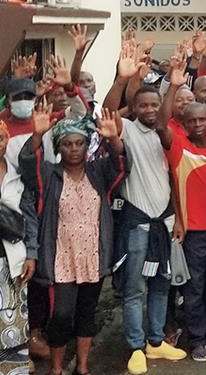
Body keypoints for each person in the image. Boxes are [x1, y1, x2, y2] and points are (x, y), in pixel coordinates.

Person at [20, 103, 129, 375]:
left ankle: (82, 366)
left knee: (86, 314)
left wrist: (113, 138)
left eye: (79, 143)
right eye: (67, 144)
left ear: (86, 145)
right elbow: (27, 163)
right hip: (61, 257)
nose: (74, 149)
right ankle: (56, 368)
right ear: (59, 147)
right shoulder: (50, 174)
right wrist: (36, 135)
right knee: (61, 315)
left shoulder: (98, 172)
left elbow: (122, 165)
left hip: (93, 255)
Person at [104, 44, 188, 375]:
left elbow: (166, 118)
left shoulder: (163, 134)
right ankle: (136, 346)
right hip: (137, 223)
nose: (151, 109)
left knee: (161, 285)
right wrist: (122, 81)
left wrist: (175, 84)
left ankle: (155, 341)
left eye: (155, 104)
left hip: (164, 222)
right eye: (144, 105)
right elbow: (111, 112)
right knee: (135, 287)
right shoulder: (128, 131)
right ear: (134, 108)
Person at [157, 64, 206, 362]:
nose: (199, 124)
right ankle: (197, 338)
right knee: (194, 288)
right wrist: (174, 86)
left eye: (203, 119)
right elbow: (161, 124)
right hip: (193, 233)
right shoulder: (178, 147)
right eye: (193, 120)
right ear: (184, 124)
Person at [0, 121, 32, 374]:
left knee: (15, 326)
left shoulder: (16, 173)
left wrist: (31, 254)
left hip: (12, 260)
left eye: (1, 138)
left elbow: (29, 216)